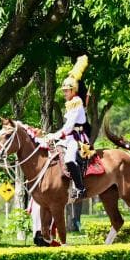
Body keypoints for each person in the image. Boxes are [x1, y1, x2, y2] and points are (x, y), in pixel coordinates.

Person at [53, 55, 91, 198]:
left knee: (69, 159)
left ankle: (80, 188)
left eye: (66, 91)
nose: (64, 93)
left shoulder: (76, 103)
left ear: (73, 90)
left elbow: (68, 128)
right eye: (63, 91)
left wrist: (54, 135)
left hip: (77, 138)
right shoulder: (70, 103)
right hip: (69, 138)